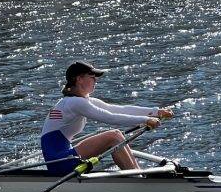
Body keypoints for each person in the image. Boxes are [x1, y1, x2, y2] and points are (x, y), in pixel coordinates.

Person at [40, 61, 173, 176]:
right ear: (79, 79)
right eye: (92, 77)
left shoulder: (79, 101)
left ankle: (137, 174)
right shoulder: (75, 103)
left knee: (117, 135)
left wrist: (156, 112)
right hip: (59, 162)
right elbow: (110, 118)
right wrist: (145, 120)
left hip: (63, 157)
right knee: (113, 137)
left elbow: (118, 109)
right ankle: (138, 180)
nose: (95, 81)